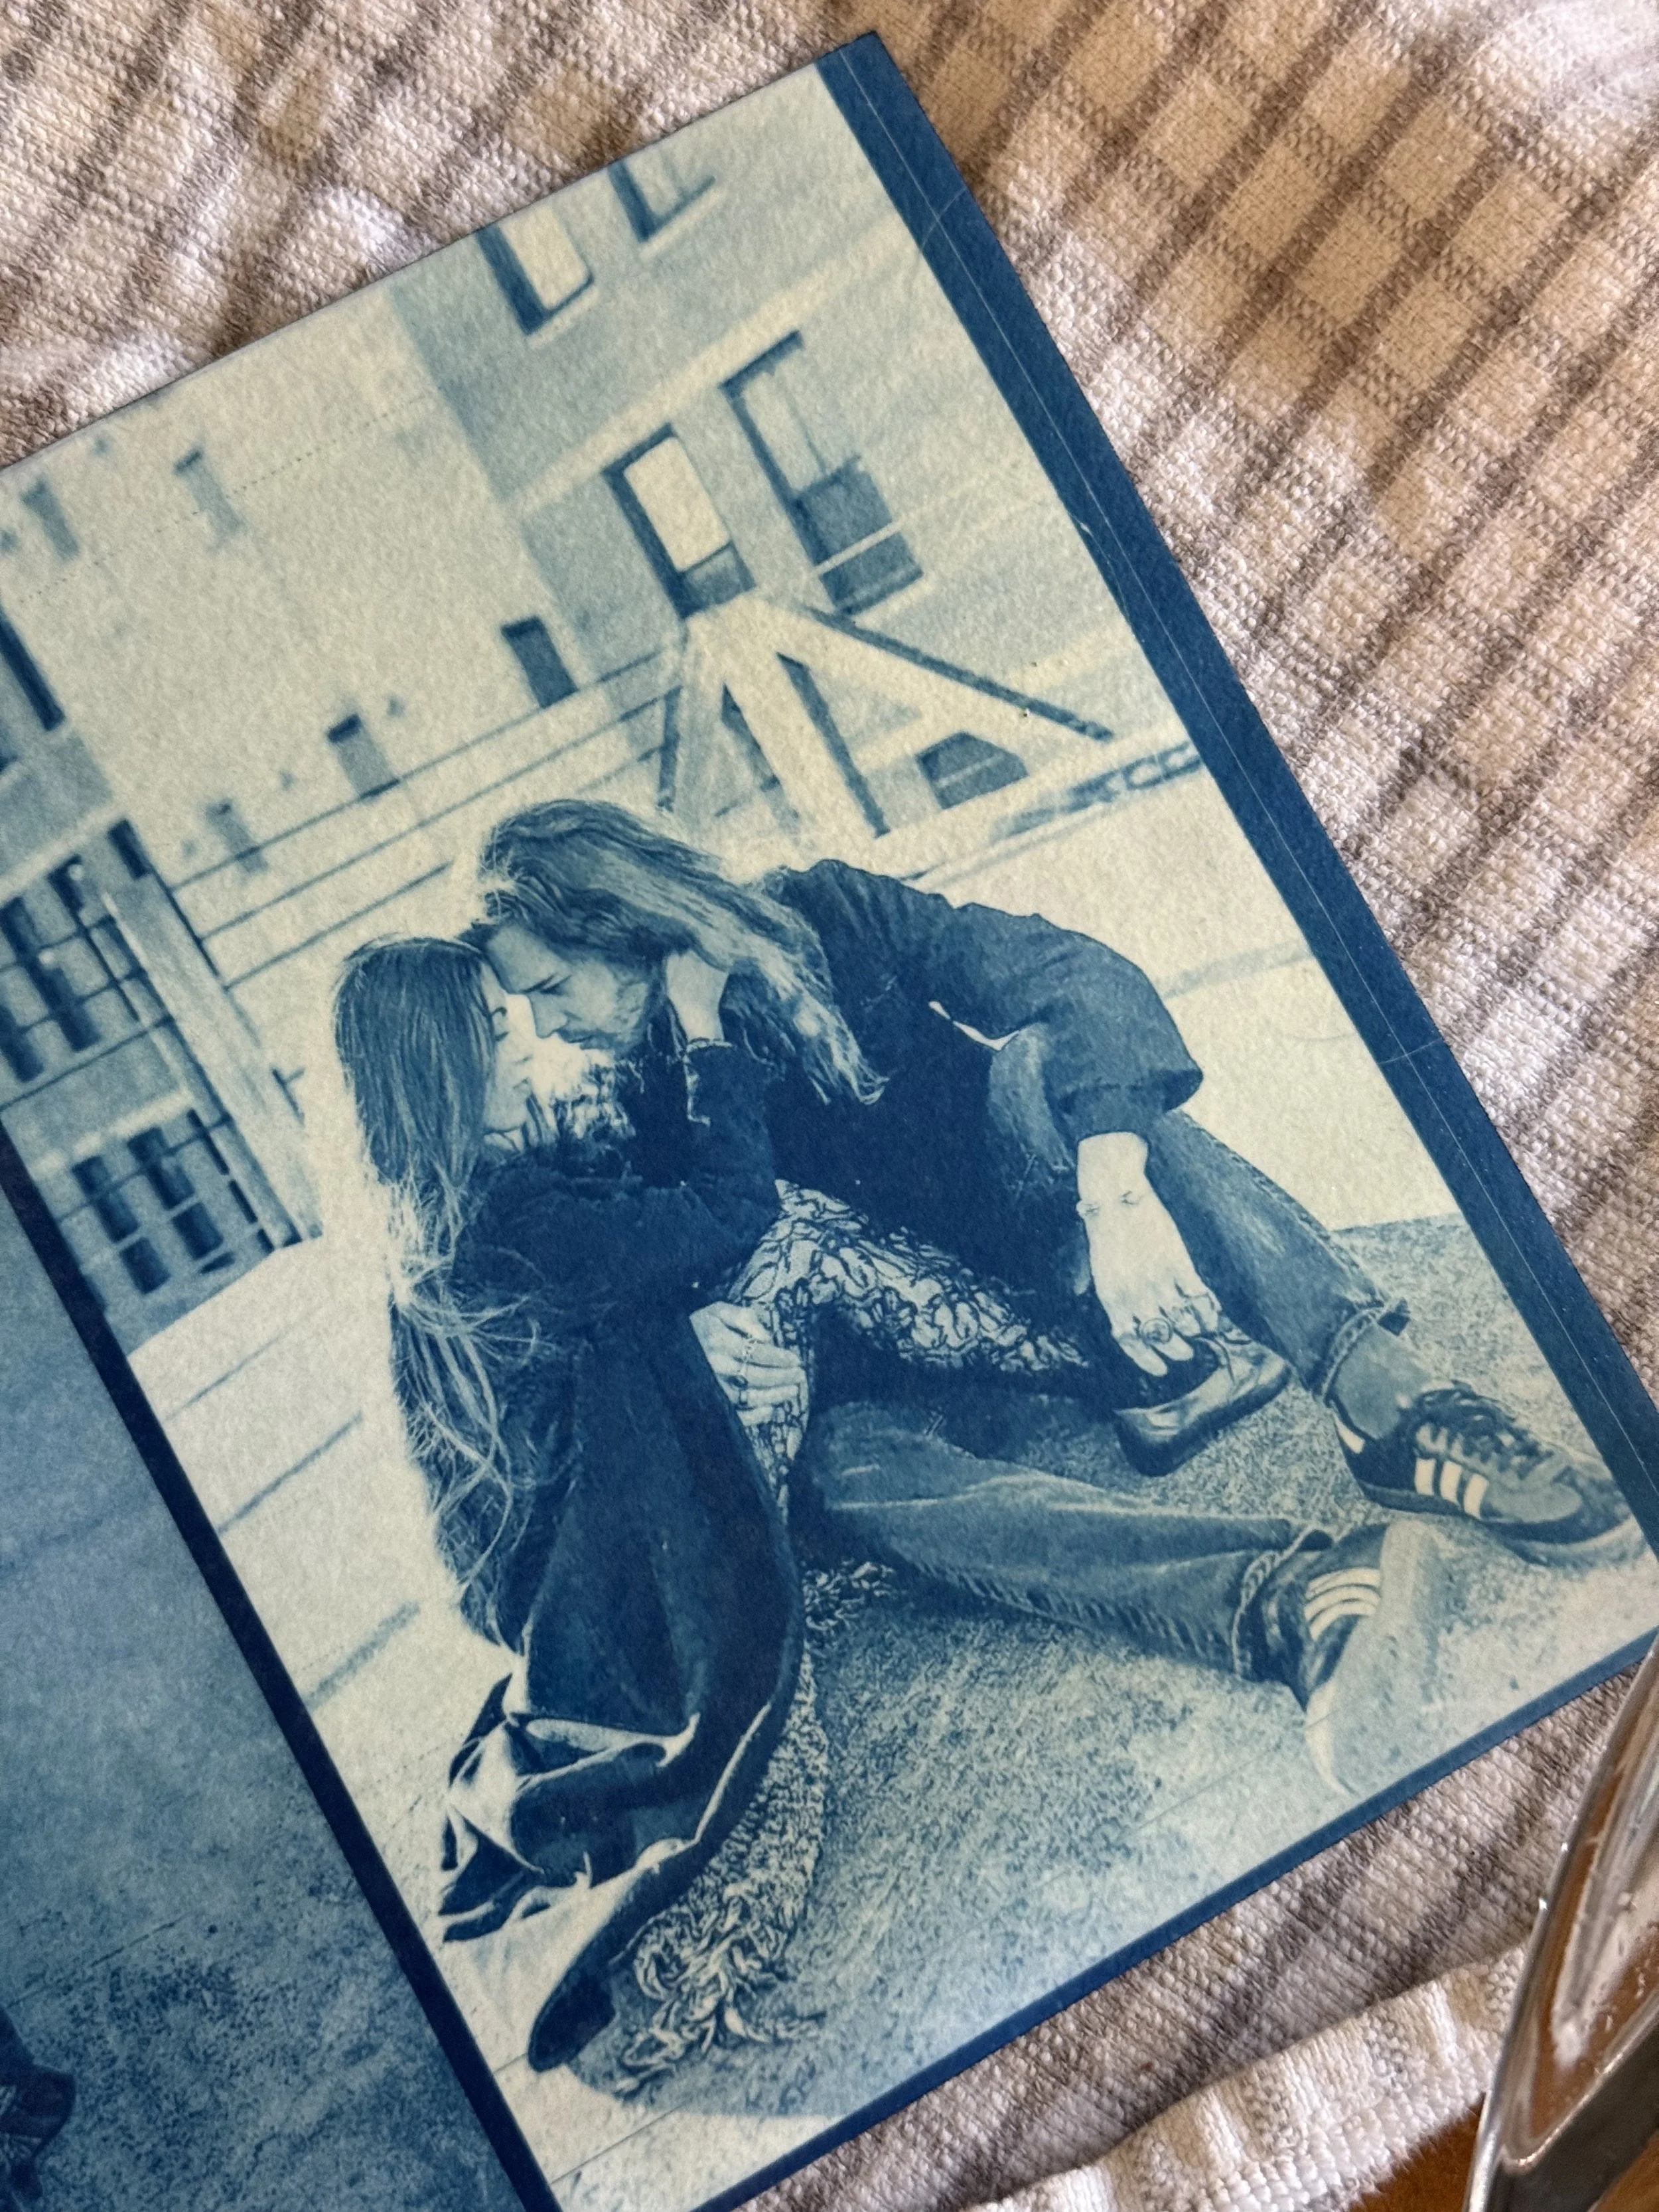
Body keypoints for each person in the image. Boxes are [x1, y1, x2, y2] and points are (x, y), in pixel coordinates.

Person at [332, 934, 1443, 2074]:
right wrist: (677, 1368)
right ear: (443, 1066)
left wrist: (679, 1357)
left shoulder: (472, 1200)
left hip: (710, 1482)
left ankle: (1289, 1588)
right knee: (801, 1245)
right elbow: (703, 1240)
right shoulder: (492, 1223)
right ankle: (1146, 1394)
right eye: (503, 1026)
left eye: (539, 1002)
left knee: (855, 1454)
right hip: (632, 1570)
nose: (534, 1038)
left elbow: (626, 1289)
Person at [475, 798, 1635, 1566]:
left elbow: (1077, 977)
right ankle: (1211, 1516)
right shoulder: (621, 1108)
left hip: (1035, 1229)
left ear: (626, 924)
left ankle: (1387, 1399)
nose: (544, 1024)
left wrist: (1116, 1198)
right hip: (917, 1365)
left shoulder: (826, 912)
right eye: (520, 1005)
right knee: (838, 1469)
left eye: (550, 983)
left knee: (1063, 1077)